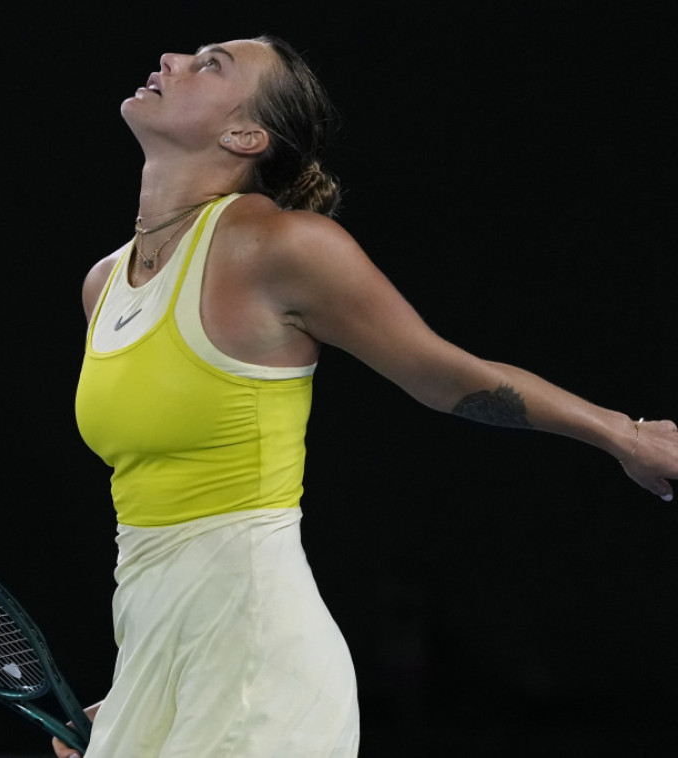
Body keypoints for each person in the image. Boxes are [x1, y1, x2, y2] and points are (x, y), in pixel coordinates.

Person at [58, 35, 677, 758]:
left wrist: (626, 434)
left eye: (210, 64)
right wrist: (141, 686)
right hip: (166, 659)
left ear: (245, 135)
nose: (172, 61)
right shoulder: (105, 284)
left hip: (259, 667)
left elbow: (445, 374)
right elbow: (157, 531)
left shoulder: (283, 247)